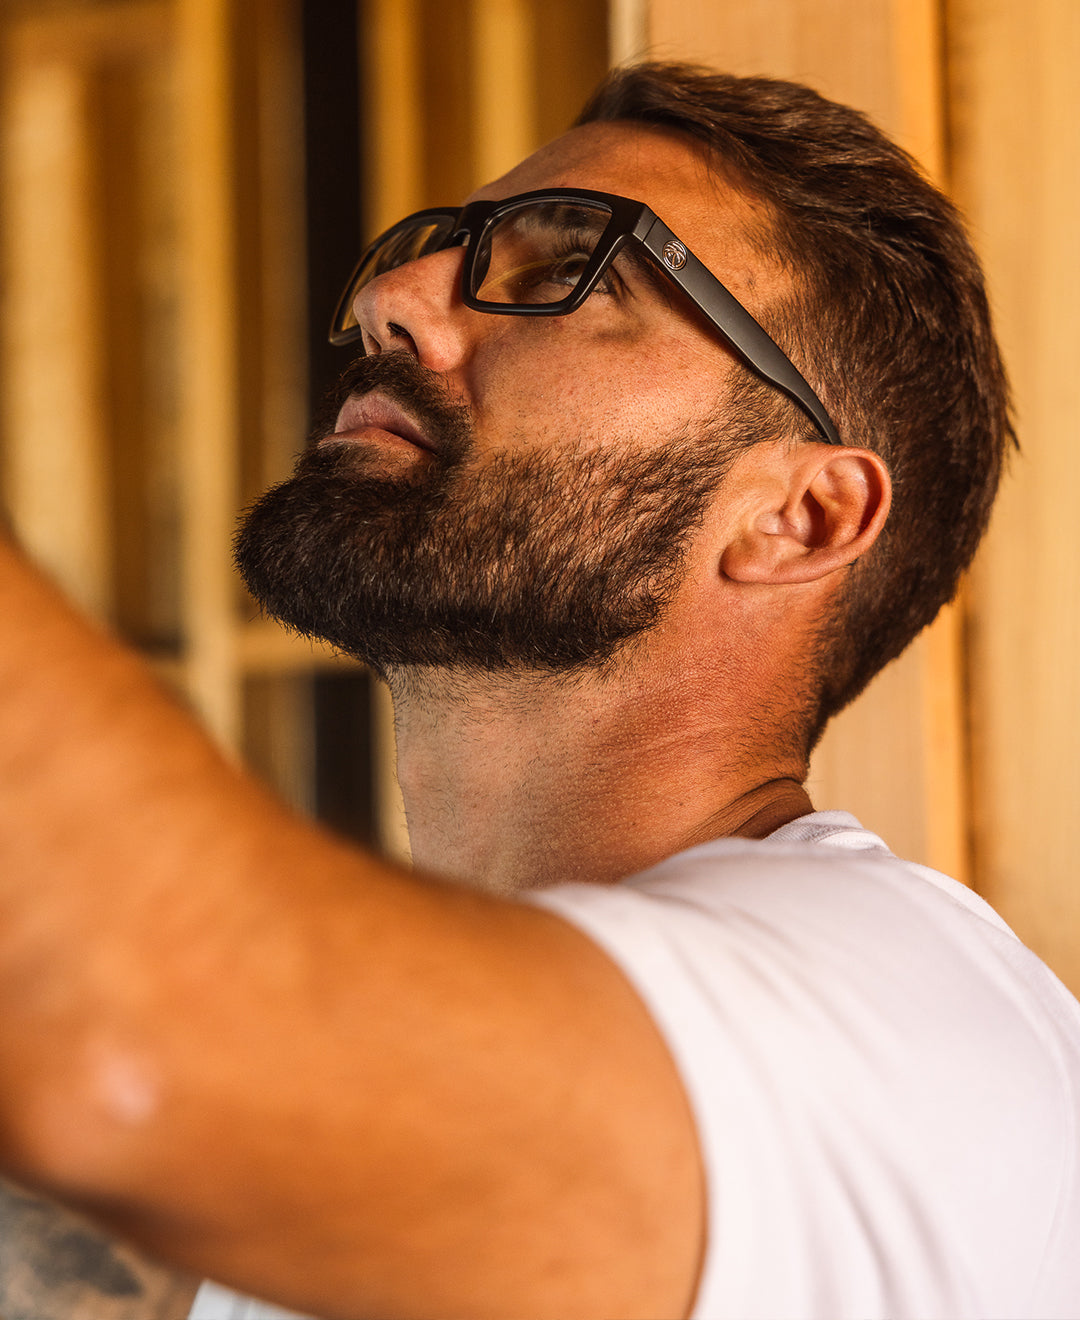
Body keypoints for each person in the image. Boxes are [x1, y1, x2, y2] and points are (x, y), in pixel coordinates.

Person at [0, 61, 1077, 1320]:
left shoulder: (895, 1016)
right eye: (431, 252)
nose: (390, 301)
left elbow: (122, 1040)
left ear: (802, 516)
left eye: (573, 267)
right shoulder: (383, 1092)